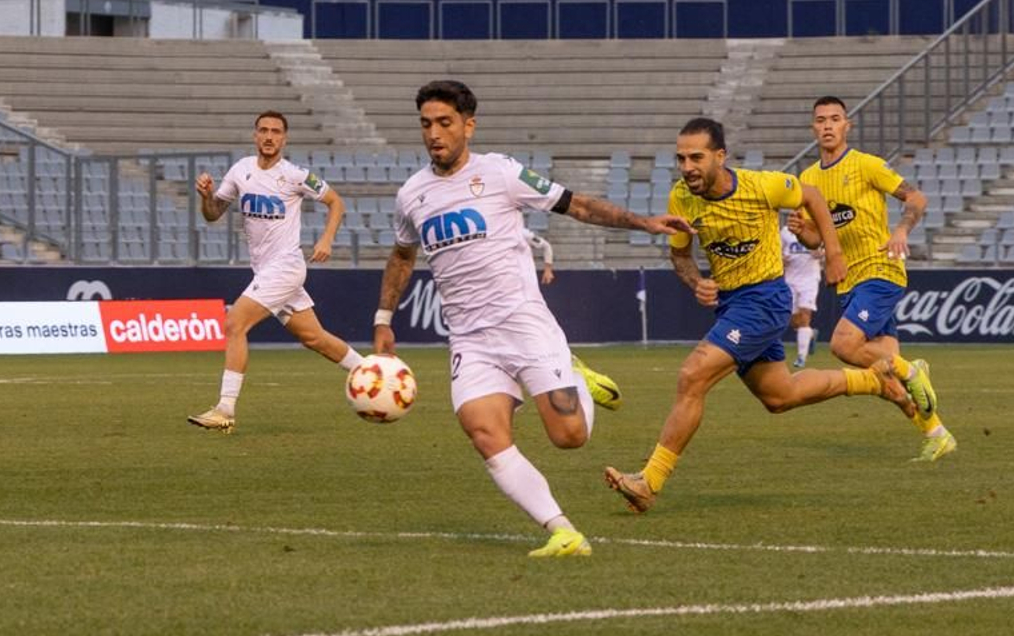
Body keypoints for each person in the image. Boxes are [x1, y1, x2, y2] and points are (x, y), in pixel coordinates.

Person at [373, 80, 677, 558]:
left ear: (469, 126)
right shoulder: (412, 194)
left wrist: (643, 223)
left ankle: (575, 373)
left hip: (523, 324)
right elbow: (402, 255)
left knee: (569, 437)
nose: (434, 133)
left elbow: (576, 204)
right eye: (426, 124)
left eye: (445, 123)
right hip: (470, 339)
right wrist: (383, 317)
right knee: (484, 433)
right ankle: (562, 531)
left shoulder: (501, 172)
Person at [602, 118, 918, 514]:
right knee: (779, 396)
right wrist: (696, 281)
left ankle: (649, 481)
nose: (687, 167)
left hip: (764, 300)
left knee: (692, 376)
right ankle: (872, 381)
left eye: (696, 157)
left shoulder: (762, 186)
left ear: (720, 156)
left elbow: (812, 195)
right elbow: (680, 255)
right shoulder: (681, 197)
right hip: (732, 304)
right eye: (681, 159)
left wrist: (834, 253)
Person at [793, 95, 955, 462]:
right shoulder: (808, 179)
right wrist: (803, 232)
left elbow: (916, 198)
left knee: (843, 345)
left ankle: (913, 369)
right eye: (821, 120)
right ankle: (937, 433)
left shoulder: (866, 165)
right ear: (813, 128)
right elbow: (818, 240)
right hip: (847, 280)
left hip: (880, 269)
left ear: (847, 126)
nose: (828, 125)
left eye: (835, 119)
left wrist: (901, 229)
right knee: (885, 375)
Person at [188, 110, 365, 431]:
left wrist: (326, 239)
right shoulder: (241, 170)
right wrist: (206, 197)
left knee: (234, 323)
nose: (269, 136)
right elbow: (213, 214)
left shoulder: (295, 175)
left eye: (276, 131)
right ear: (255, 135)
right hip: (265, 271)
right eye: (264, 130)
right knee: (314, 337)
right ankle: (370, 372)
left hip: (286, 267)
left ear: (285, 138)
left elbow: (336, 202)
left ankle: (225, 409)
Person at [780, 220, 823, 367]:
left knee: (805, 316)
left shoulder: (813, 229)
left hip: (810, 279)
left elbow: (822, 253)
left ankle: (801, 357)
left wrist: (818, 253)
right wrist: (783, 259)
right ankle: (809, 334)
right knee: (794, 320)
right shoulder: (785, 232)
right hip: (791, 280)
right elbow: (778, 253)